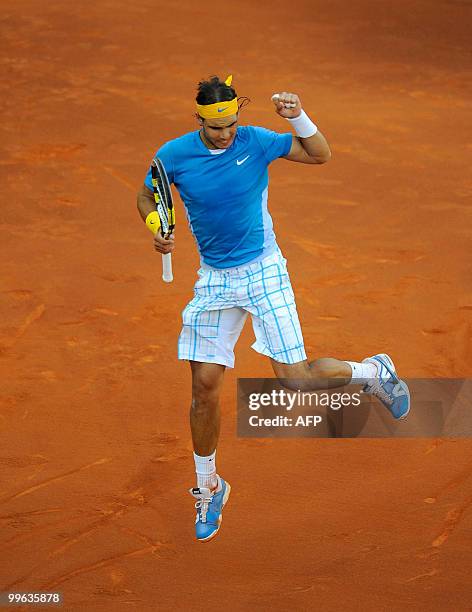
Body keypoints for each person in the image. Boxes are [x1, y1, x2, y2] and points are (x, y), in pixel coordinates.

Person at [137, 75, 410, 543]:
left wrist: (298, 117)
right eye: (215, 126)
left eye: (231, 125)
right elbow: (148, 193)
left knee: (295, 378)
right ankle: (210, 488)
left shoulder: (257, 141)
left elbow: (319, 153)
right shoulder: (174, 155)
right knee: (203, 388)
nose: (225, 134)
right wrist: (155, 224)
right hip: (215, 281)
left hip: (264, 271)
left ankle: (373, 373)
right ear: (199, 118)